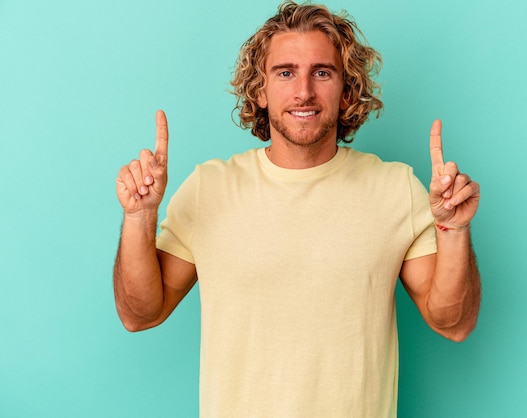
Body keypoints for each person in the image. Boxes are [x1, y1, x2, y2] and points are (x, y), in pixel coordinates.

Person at [114, 1, 481, 417]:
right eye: (285, 72)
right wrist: (139, 217)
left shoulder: (395, 188)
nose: (303, 91)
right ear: (260, 90)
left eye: (321, 72)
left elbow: (454, 323)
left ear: (347, 91)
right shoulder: (209, 188)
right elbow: (139, 314)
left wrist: (454, 230)